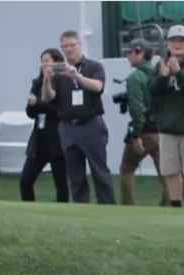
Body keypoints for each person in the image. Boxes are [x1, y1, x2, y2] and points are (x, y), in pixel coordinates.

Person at [47, 30, 116, 204]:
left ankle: (108, 209)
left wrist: (77, 76)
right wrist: (47, 80)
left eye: (72, 45)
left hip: (91, 125)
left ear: (80, 45)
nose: (69, 49)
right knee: (75, 176)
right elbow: (49, 97)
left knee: (100, 172)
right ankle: (80, 211)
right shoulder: (59, 72)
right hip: (68, 127)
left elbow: (98, 87)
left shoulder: (93, 66)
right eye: (65, 46)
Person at [151, 25, 184, 208]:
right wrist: (163, 77)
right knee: (170, 171)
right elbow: (152, 91)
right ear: (168, 43)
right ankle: (175, 205)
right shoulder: (160, 65)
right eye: (174, 40)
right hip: (167, 127)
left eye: (182, 41)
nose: (178, 44)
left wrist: (178, 73)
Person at [119, 39, 168, 206]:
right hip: (162, 130)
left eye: (130, 52)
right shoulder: (159, 74)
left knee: (127, 168)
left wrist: (136, 134)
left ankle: (129, 207)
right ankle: (169, 207)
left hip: (145, 131)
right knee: (166, 174)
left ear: (139, 53)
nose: (128, 55)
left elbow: (137, 109)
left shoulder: (135, 77)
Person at [20, 48, 69, 203]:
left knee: (61, 184)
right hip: (39, 139)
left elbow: (59, 111)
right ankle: (30, 211)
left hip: (57, 139)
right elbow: (30, 111)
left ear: (56, 62)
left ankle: (62, 215)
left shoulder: (63, 82)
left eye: (47, 60)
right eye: (42, 61)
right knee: (25, 181)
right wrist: (35, 105)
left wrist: (38, 103)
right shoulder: (37, 82)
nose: (43, 64)